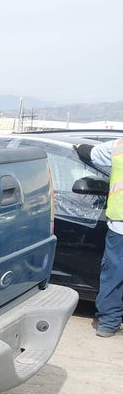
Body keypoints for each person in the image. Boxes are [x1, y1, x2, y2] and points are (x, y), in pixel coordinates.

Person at [76, 139, 123, 337]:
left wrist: (79, 148)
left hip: (120, 224)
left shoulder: (118, 147)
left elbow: (91, 153)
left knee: (113, 274)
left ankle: (108, 323)